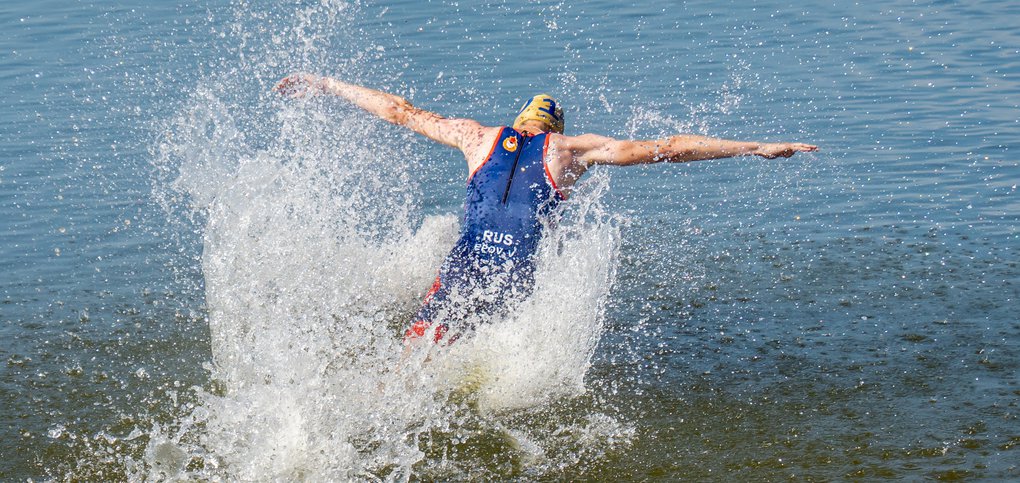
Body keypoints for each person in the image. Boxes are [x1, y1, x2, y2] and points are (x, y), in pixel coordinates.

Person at [275, 73, 817, 345]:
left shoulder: (476, 137)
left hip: (463, 267)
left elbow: (397, 111)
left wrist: (327, 85)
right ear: (554, 131)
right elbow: (671, 147)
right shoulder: (571, 151)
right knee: (476, 357)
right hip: (514, 277)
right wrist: (755, 146)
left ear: (518, 123)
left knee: (416, 352)